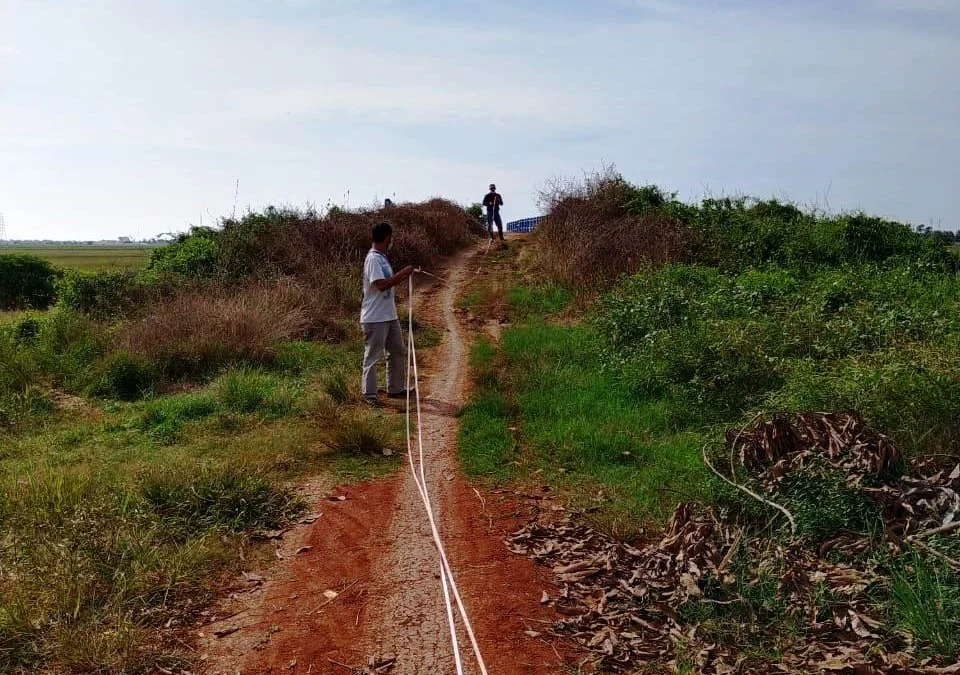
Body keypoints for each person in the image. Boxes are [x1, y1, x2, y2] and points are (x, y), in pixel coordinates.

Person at [361, 222, 417, 405]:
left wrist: (402, 276)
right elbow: (381, 284)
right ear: (387, 238)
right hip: (375, 317)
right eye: (391, 238)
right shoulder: (373, 259)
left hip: (389, 315)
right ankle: (369, 395)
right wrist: (403, 273)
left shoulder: (382, 257)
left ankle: (396, 388)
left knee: (397, 351)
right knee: (373, 356)